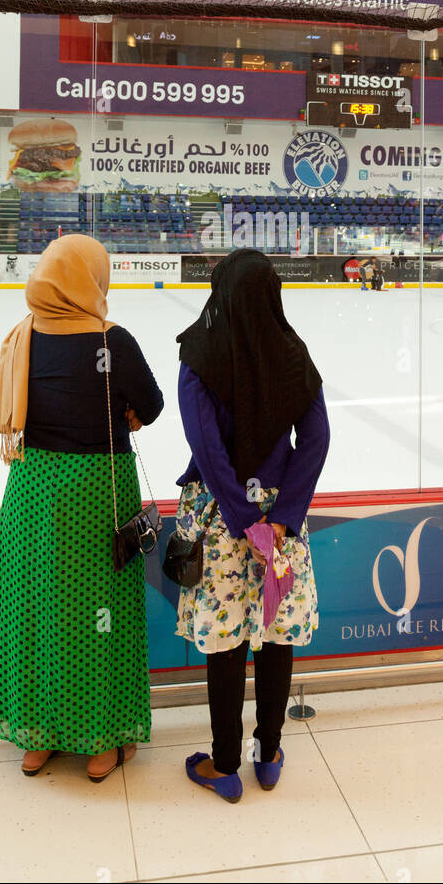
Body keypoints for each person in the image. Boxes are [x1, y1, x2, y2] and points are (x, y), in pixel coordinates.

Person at [0, 234, 163, 782]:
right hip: (95, 495)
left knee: (36, 612)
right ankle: (101, 743)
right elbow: (151, 406)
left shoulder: (22, 337)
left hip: (33, 492)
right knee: (100, 615)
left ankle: (36, 739)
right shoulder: (114, 340)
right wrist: (125, 411)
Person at [174, 249, 330, 803]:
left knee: (228, 639)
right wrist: (282, 520)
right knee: (275, 627)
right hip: (280, 522)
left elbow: (206, 446)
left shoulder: (198, 354)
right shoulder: (292, 354)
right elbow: (316, 438)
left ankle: (225, 765)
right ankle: (269, 754)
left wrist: (243, 519)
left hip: (224, 519)